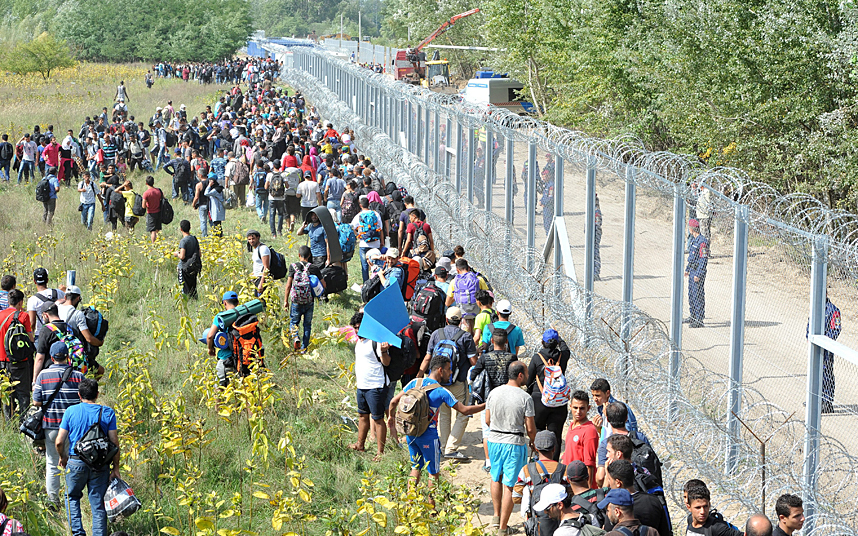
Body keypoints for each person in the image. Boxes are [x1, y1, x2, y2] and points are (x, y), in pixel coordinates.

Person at [387, 354, 485, 494]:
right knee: (433, 473)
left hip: (411, 433)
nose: (450, 372)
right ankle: (432, 505)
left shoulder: (415, 383)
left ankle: (410, 502)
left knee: (415, 467)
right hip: (429, 437)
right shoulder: (442, 392)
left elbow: (393, 402)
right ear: (440, 370)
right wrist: (486, 405)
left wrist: (391, 418)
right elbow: (465, 410)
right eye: (449, 369)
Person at [56, 378, 120, 536]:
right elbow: (114, 443)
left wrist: (63, 457)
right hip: (100, 465)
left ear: (79, 395)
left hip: (76, 462)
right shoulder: (107, 413)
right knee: (98, 505)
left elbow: (59, 442)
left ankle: (78, 533)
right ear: (97, 394)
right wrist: (116, 468)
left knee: (72, 497)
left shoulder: (70, 411)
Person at [418, 306, 478, 460]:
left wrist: (420, 376)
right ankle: (451, 448)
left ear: (446, 319)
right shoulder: (465, 336)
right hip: (458, 382)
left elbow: (427, 357)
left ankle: (444, 447)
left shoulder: (436, 334)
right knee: (463, 414)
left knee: (444, 414)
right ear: (461, 321)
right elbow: (473, 361)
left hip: (438, 383)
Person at [32, 341, 85, 509]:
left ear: (52, 357)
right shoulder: (78, 376)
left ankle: (53, 502)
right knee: (73, 463)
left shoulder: (43, 375)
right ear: (67, 357)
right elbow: (85, 400)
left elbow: (36, 401)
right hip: (73, 428)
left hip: (51, 426)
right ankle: (72, 500)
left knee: (52, 464)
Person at [486, 360, 536, 536]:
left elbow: (487, 420)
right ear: (520, 375)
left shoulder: (494, 392)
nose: (528, 376)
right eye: (527, 374)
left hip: (494, 440)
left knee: (495, 477)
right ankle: (503, 528)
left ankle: (496, 516)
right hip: (513, 442)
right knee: (509, 484)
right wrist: (534, 441)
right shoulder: (525, 398)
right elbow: (530, 428)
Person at [470, 328, 516, 472]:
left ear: (491, 340)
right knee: (506, 428)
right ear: (506, 341)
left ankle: (489, 461)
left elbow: (473, 375)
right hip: (508, 397)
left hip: (489, 399)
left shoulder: (485, 358)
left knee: (487, 431)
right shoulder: (512, 358)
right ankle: (505, 459)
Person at [348, 312, 390, 460]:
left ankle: (380, 453)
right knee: (362, 416)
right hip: (362, 386)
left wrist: (384, 351)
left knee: (378, 419)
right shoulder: (359, 342)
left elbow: (386, 362)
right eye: (355, 328)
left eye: (359, 327)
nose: (357, 331)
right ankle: (360, 445)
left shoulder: (376, 341)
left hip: (375, 386)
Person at [526, 328, 569, 460]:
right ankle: (554, 463)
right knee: (556, 434)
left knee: (538, 430)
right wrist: (559, 337)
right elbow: (565, 348)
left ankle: (540, 458)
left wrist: (529, 392)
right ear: (556, 343)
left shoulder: (537, 358)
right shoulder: (563, 356)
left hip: (540, 399)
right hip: (558, 400)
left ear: (542, 342)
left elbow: (529, 380)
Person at [513, 430, 565, 529]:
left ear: (536, 448)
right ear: (554, 448)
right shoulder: (563, 469)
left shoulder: (527, 470)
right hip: (559, 522)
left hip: (536, 522)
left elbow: (516, 497)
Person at [605, 460, 670, 536]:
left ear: (618, 483)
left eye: (609, 479)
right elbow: (665, 531)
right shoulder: (653, 501)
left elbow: (607, 530)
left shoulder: (614, 505)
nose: (609, 483)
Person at [596, 402, 650, 486]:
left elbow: (600, 477)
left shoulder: (607, 444)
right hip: (642, 485)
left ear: (608, 419)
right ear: (626, 418)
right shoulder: (639, 437)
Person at [0, 290, 33, 418]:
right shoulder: (23, 316)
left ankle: (9, 423)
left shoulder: (0, 315)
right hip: (20, 362)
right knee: (23, 394)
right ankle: (24, 421)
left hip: (2, 361)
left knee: (7, 395)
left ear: (8, 301)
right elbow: (30, 338)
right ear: (20, 302)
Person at [284, 246, 324, 350]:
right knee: (307, 325)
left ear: (299, 255)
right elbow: (323, 284)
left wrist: (285, 301)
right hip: (309, 301)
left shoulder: (293, 266)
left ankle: (296, 338)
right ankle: (304, 348)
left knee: (294, 322)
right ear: (310, 255)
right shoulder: (314, 268)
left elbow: (288, 286)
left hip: (296, 301)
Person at [806, 295, 841, 413]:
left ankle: (827, 402)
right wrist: (808, 337)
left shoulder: (833, 310)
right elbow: (809, 325)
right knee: (814, 372)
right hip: (814, 346)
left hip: (826, 349)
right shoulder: (815, 308)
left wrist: (825, 342)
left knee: (826, 374)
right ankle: (815, 399)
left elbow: (835, 329)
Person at [560, 390, 600, 488]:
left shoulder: (589, 430)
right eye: (575, 408)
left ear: (588, 408)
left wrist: (588, 491)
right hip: (569, 482)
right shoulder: (571, 426)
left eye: (582, 408)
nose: (578, 412)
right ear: (570, 407)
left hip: (580, 485)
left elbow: (589, 463)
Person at [445, 258, 489, 333]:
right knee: (478, 335)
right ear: (468, 268)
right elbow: (487, 296)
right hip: (477, 314)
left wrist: (457, 296)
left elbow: (447, 303)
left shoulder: (454, 282)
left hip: (462, 315)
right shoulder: (478, 279)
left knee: (464, 336)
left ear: (457, 270)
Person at [208, 291, 238, 387]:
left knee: (219, 389)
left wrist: (210, 348)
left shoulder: (221, 317)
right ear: (237, 302)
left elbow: (210, 336)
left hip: (226, 360)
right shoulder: (243, 314)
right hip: (243, 359)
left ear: (225, 303)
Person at [684, 218, 709, 328]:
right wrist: (687, 269)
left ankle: (699, 319)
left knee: (698, 295)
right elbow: (692, 257)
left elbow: (703, 260)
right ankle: (693, 316)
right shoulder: (694, 241)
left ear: (691, 229)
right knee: (691, 294)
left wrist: (698, 274)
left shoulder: (702, 242)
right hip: (692, 270)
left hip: (698, 272)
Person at [352, 197, 383, 282]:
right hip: (375, 243)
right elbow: (380, 228)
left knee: (365, 265)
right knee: (376, 264)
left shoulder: (358, 216)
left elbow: (352, 227)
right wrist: (382, 242)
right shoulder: (376, 214)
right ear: (369, 204)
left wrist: (358, 235)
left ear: (360, 205)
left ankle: (366, 283)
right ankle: (376, 281)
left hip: (364, 244)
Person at [176, 220, 201, 299]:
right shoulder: (194, 239)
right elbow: (200, 254)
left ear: (181, 229)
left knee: (184, 289)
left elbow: (182, 256)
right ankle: (194, 301)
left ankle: (186, 302)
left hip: (184, 268)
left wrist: (177, 254)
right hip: (193, 267)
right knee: (193, 288)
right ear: (190, 228)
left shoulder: (183, 241)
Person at [247, 230, 270, 296]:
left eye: (253, 238)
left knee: (262, 300)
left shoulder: (263, 249)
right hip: (257, 279)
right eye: (249, 239)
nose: (251, 241)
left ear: (258, 237)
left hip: (262, 279)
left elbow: (266, 267)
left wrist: (261, 283)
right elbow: (258, 265)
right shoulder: (256, 249)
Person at [142, 176, 163, 242]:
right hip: (159, 212)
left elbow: (143, 206)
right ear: (153, 183)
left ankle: (153, 244)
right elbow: (163, 199)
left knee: (152, 231)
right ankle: (158, 242)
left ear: (146, 183)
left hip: (151, 213)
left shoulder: (146, 193)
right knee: (157, 230)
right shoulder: (158, 191)